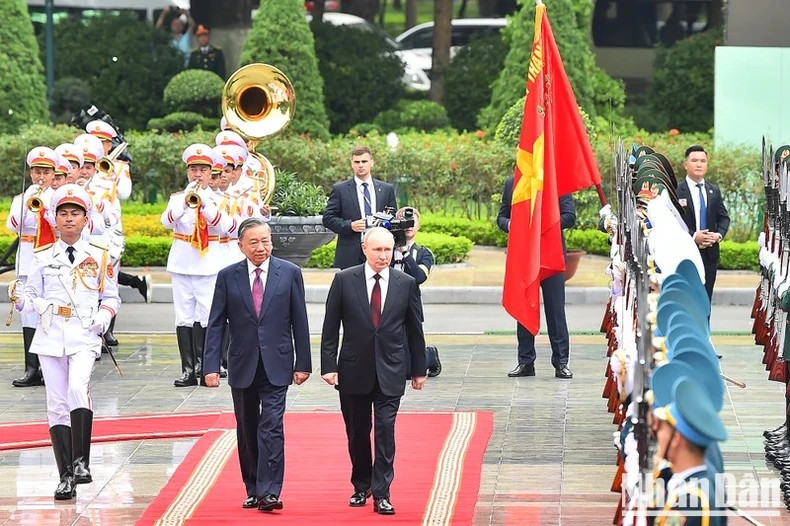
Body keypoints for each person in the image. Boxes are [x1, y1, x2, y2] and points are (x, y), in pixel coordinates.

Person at [10, 184, 120, 500]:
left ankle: (82, 462)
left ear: (86, 219)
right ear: (54, 219)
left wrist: (103, 319)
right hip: (50, 333)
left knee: (77, 388)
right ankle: (65, 476)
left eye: (75, 213)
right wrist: (22, 300)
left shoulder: (99, 255)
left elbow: (111, 296)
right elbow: (30, 294)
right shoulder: (42, 255)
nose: (69, 219)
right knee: (56, 403)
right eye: (63, 213)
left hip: (84, 333)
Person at [203, 218, 311, 512]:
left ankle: (270, 491)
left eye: (265, 241)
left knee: (272, 426)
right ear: (241, 246)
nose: (261, 247)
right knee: (247, 426)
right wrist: (210, 365)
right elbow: (216, 323)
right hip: (242, 362)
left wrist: (304, 363)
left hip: (278, 362)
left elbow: (299, 321)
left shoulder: (289, 273)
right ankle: (252, 487)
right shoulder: (228, 276)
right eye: (254, 242)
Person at [320, 227, 426, 515]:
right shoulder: (344, 280)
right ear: (364, 249)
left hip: (391, 368)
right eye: (377, 250)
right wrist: (328, 365)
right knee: (357, 431)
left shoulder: (406, 283)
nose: (383, 256)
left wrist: (419, 369)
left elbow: (415, 330)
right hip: (353, 369)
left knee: (384, 430)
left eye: (388, 250)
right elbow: (330, 328)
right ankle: (361, 484)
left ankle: (382, 492)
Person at [161, 144, 233, 387]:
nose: (197, 174)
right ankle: (189, 370)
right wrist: (185, 203)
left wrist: (204, 204)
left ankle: (207, 368)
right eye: (193, 169)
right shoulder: (177, 198)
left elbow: (226, 227)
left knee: (207, 317)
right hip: (182, 263)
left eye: (202, 170)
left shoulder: (218, 200)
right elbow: (167, 222)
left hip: (208, 264)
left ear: (211, 172)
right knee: (183, 317)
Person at [497, 177, 575, 379]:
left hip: (551, 255)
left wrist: (541, 223)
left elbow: (570, 216)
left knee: (555, 310)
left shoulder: (557, 182)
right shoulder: (513, 182)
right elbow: (502, 217)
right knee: (524, 307)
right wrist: (512, 224)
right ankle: (525, 362)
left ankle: (561, 362)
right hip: (524, 255)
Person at [7, 147, 58, 387]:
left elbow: (59, 226)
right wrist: (28, 202)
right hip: (28, 258)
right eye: (37, 171)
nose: (41, 177)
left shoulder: (58, 197)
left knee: (49, 311)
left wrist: (46, 204)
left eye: (45, 173)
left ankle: (51, 367)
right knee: (28, 315)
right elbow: (13, 225)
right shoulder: (22, 199)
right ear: (31, 172)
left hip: (49, 258)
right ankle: (31, 368)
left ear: (52, 174)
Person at [323, 146, 397, 269]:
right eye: (357, 162)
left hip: (379, 250)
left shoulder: (386, 189)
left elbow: (393, 218)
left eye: (364, 161)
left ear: (371, 163)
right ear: (352, 164)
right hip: (351, 253)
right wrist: (350, 225)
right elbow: (328, 219)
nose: (361, 165)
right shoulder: (340, 189)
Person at [391, 206, 441, 377]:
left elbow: (419, 277)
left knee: (409, 371)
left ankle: (429, 355)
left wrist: (405, 253)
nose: (408, 226)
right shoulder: (385, 250)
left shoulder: (423, 253)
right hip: (387, 303)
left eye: (412, 222)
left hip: (410, 305)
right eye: (404, 222)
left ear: (419, 225)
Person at [677, 145, 730, 301]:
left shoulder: (713, 190)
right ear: (686, 164)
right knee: (686, 300)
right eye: (694, 160)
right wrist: (693, 237)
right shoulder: (676, 190)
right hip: (685, 254)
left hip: (709, 255)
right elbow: (671, 223)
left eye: (703, 161)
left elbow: (724, 218)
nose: (699, 164)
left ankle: (704, 326)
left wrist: (718, 235)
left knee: (704, 300)